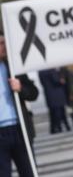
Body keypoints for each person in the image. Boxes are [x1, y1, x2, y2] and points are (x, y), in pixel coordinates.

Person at [0, 32, 38, 176]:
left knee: (29, 172)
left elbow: (34, 93)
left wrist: (20, 88)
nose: (4, 47)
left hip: (19, 129)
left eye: (5, 43)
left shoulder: (13, 68)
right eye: (0, 44)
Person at [39, 68, 70, 134]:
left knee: (53, 113)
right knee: (59, 112)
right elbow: (56, 81)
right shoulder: (51, 70)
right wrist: (61, 80)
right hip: (57, 94)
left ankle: (54, 128)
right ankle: (61, 127)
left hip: (49, 94)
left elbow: (42, 82)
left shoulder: (41, 71)